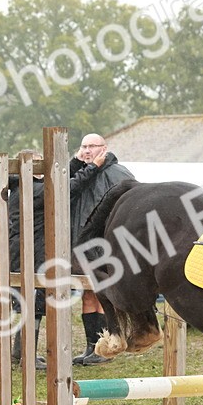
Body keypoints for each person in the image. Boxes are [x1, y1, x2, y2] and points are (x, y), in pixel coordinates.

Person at [70, 133, 136, 366]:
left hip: (107, 245)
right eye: (84, 146)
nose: (87, 150)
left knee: (105, 294)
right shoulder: (81, 175)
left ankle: (109, 344)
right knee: (88, 294)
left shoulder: (119, 174)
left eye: (92, 146)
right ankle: (92, 346)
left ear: (104, 148)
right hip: (81, 244)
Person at [6, 153, 47, 370]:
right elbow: (70, 187)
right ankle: (25, 356)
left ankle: (20, 353)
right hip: (29, 254)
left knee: (32, 304)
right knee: (31, 303)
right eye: (38, 163)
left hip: (27, 253)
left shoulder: (20, 187)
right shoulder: (34, 189)